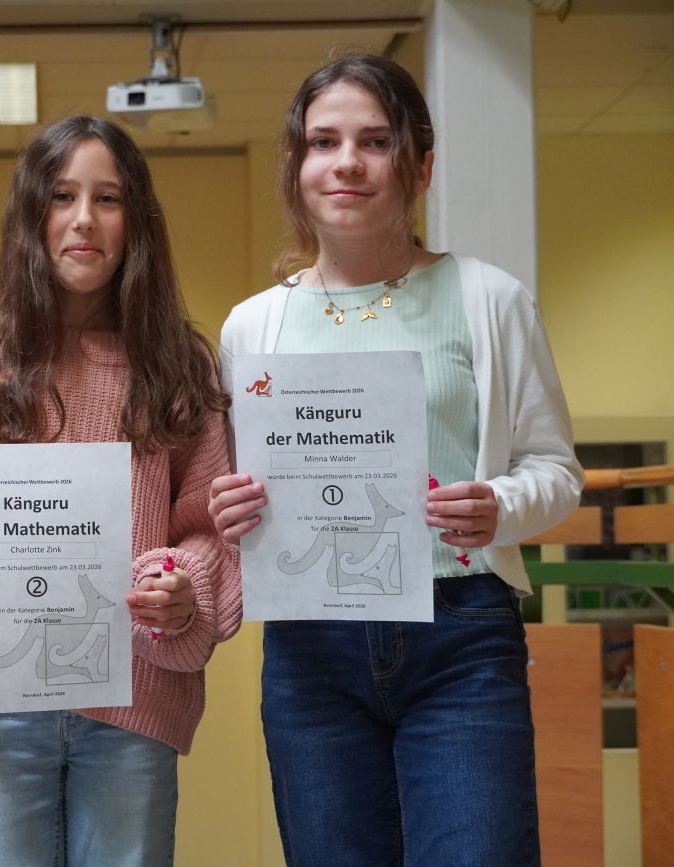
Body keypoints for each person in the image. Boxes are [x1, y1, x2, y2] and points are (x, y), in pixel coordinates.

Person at [208, 53, 583, 866]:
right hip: (310, 650)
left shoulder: (489, 298)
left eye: (375, 141)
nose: (346, 162)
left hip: (461, 634)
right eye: (323, 142)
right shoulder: (252, 326)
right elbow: (236, 489)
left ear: (420, 167)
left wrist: (500, 506)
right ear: (297, 164)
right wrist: (228, 508)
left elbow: (556, 471)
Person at [0, 115, 241, 865]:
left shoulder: (181, 364)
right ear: (30, 215)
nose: (84, 219)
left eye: (109, 198)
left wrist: (184, 588)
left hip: (134, 712)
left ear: (137, 220)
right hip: (0, 712)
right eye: (62, 196)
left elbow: (207, 526)